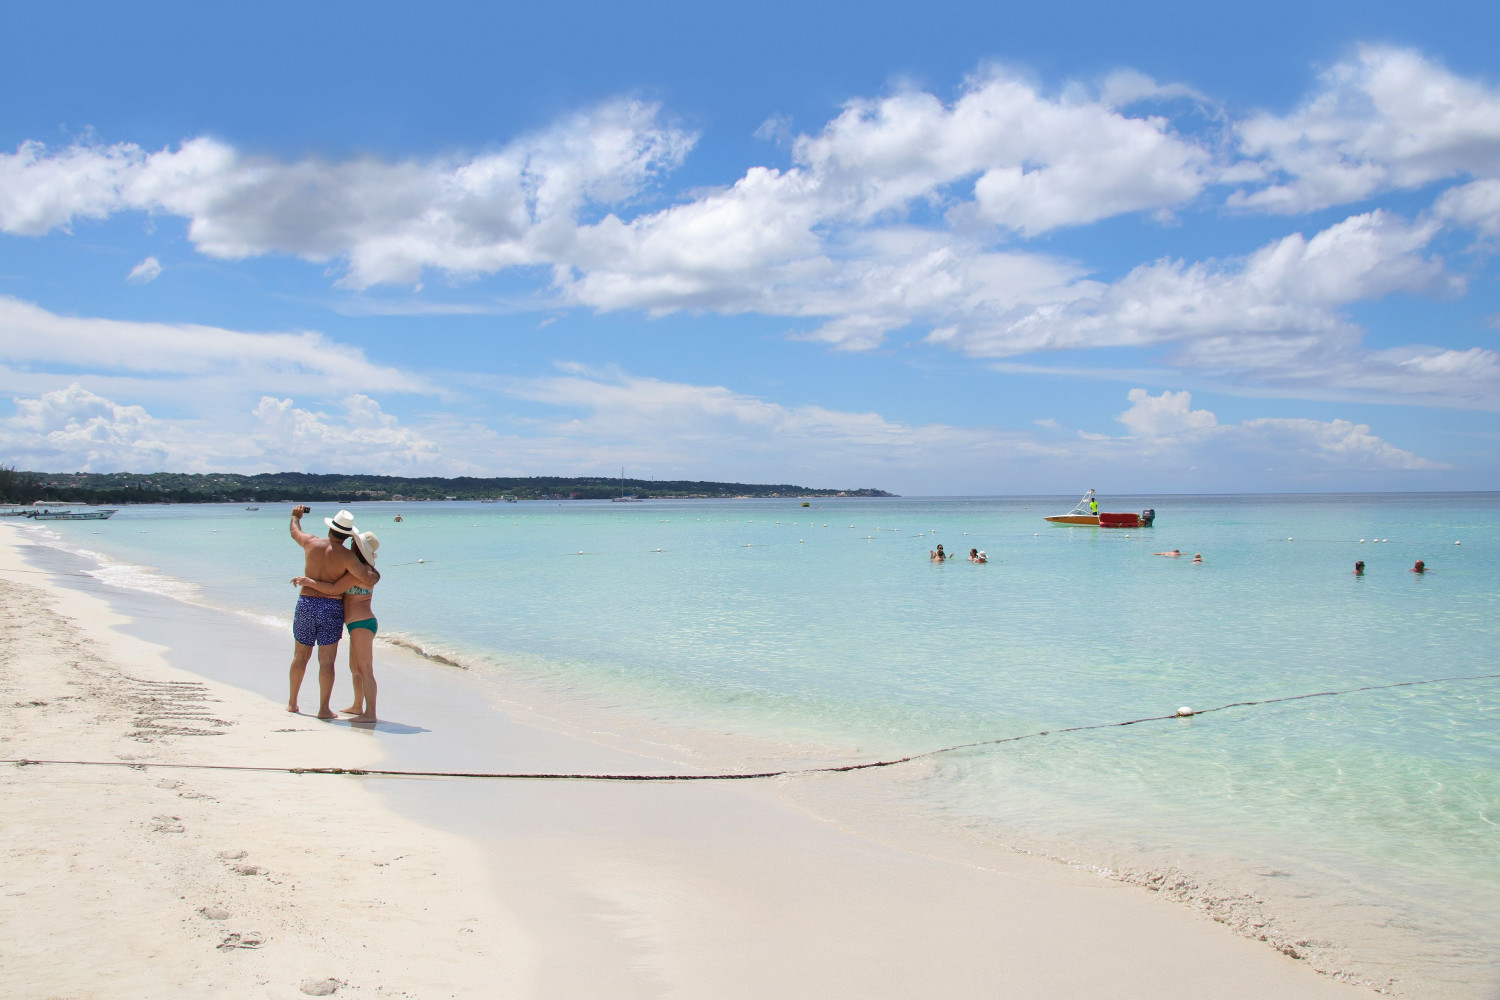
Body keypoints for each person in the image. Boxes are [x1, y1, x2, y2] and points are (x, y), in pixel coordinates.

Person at [286, 507, 377, 719]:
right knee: (326, 661)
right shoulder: (347, 557)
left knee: (300, 656)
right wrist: (373, 575)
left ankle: (292, 703)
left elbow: (294, 532)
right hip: (331, 607)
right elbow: (368, 578)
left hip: (306, 603)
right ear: (348, 535)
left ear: (330, 528)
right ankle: (323, 709)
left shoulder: (310, 543)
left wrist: (295, 517)